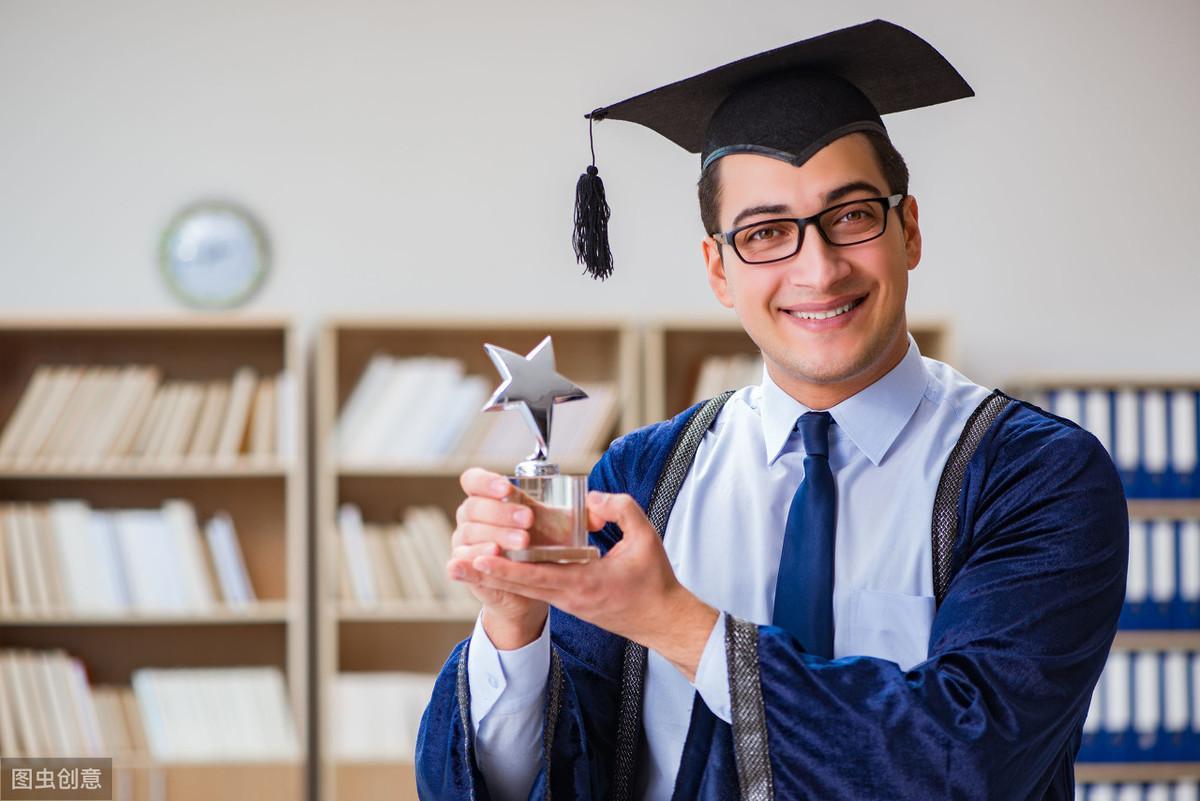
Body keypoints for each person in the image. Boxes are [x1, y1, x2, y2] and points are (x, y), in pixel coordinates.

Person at [415, 19, 1128, 801]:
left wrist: (677, 622)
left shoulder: (1035, 474)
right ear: (718, 269)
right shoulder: (645, 478)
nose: (817, 269)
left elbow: (969, 761)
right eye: (765, 233)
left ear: (909, 229)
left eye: (852, 215)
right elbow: (547, 780)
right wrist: (514, 628)